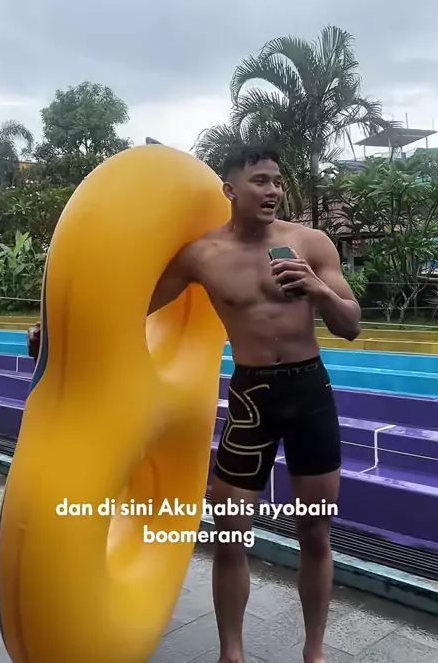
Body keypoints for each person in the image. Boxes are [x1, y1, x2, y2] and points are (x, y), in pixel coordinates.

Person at [148, 145, 361, 663]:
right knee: (229, 532)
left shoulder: (310, 243)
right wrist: (53, 329)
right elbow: (132, 304)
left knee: (315, 529)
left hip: (309, 393)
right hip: (252, 398)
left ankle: (315, 652)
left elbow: (351, 325)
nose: (273, 191)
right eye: (261, 181)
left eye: (277, 182)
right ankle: (232, 654)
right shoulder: (202, 255)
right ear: (230, 190)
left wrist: (318, 290)